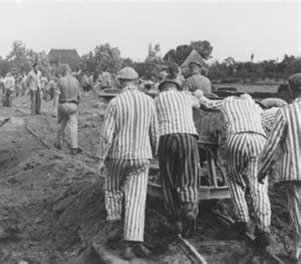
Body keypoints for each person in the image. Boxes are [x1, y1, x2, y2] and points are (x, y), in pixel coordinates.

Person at [97, 67, 158, 260]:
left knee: (113, 189)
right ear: (137, 81)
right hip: (141, 157)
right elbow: (155, 132)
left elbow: (107, 135)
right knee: (136, 199)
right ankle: (131, 245)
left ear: (119, 82)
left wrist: (101, 159)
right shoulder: (149, 101)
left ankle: (114, 225)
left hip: (118, 155)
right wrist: (154, 153)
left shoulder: (115, 102)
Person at [204, 94, 271, 249]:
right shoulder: (255, 106)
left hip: (237, 137)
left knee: (235, 180)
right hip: (260, 140)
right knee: (258, 185)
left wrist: (199, 96)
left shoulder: (227, 101)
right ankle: (263, 230)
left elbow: (207, 104)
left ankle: (242, 221)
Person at [258, 73, 301, 261]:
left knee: (297, 211)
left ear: (291, 90)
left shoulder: (286, 111)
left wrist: (262, 170)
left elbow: (271, 145)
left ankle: (298, 253)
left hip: (294, 171)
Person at [154, 79, 204, 238]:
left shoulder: (157, 99)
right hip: (187, 136)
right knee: (189, 174)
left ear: (162, 89)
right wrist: (198, 94)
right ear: (176, 88)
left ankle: (174, 218)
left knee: (167, 177)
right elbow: (199, 102)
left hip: (166, 137)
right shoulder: (185, 96)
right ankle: (189, 208)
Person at [52, 64, 82, 155]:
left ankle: (59, 143)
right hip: (73, 105)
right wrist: (77, 105)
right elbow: (79, 96)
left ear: (63, 72)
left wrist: (54, 108)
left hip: (63, 104)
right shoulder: (76, 81)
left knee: (61, 124)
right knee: (73, 126)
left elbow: (56, 95)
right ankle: (74, 147)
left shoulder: (60, 81)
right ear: (70, 71)